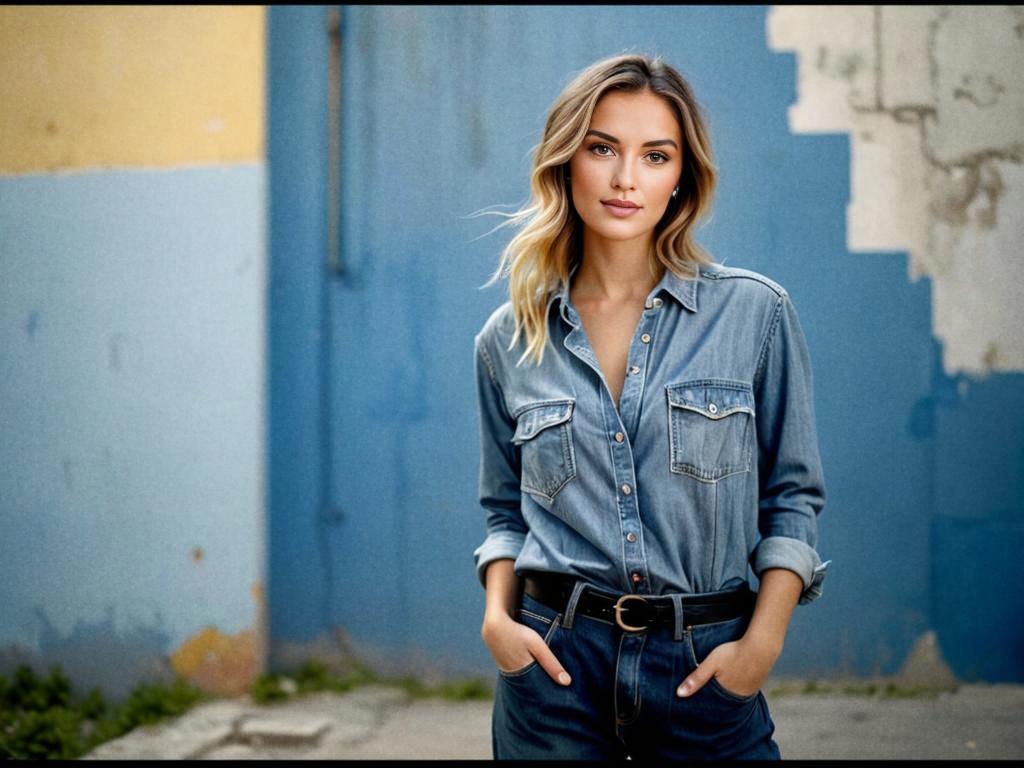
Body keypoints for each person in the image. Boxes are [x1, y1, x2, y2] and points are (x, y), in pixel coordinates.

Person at [471, 52, 829, 760]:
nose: (626, 178)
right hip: (554, 670)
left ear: (681, 178)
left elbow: (793, 499)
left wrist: (761, 643)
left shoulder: (754, 314)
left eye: (655, 155)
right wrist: (497, 623)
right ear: (566, 161)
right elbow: (504, 512)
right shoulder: (509, 339)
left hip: (706, 668)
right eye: (602, 148)